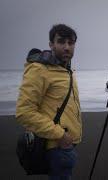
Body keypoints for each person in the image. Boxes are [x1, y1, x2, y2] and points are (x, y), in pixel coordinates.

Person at [16, 24, 82, 180]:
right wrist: (61, 135)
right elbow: (24, 112)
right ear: (51, 44)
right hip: (57, 147)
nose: (67, 47)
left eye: (70, 43)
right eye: (61, 42)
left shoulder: (66, 70)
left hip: (66, 146)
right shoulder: (40, 70)